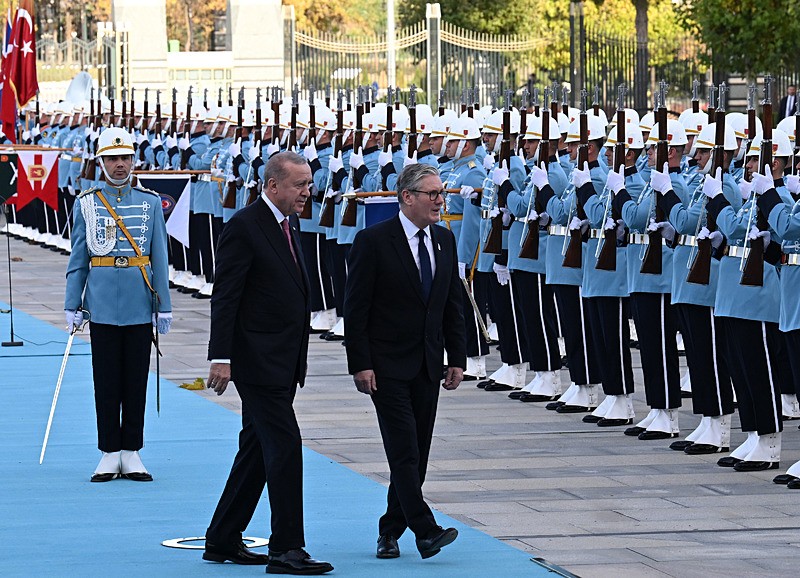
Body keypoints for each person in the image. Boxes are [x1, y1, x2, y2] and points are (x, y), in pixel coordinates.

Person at [203, 151, 333, 575]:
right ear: (273, 185)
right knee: (284, 447)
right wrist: (221, 357)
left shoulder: (285, 224)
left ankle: (222, 538)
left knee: (256, 450)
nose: (307, 193)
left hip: (282, 358)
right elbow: (226, 295)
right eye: (300, 185)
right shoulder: (244, 226)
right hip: (256, 360)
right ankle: (287, 548)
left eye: (309, 184)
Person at [344, 163, 467, 560]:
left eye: (441, 193)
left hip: (428, 364)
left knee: (418, 451)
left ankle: (389, 529)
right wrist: (359, 363)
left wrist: (457, 358)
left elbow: (452, 305)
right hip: (386, 366)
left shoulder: (445, 241)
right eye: (432, 194)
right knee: (403, 450)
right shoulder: (374, 241)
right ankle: (426, 530)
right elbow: (356, 308)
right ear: (406, 197)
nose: (439, 201)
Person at [64, 126, 172, 483]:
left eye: (125, 157)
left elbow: (159, 256)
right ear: (101, 162)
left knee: (136, 380)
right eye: (112, 158)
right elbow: (79, 258)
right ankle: (110, 450)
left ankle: (132, 450)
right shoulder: (88, 202)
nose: (120, 164)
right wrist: (71, 303)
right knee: (106, 380)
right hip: (102, 305)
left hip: (140, 303)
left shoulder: (150, 202)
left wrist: (164, 305)